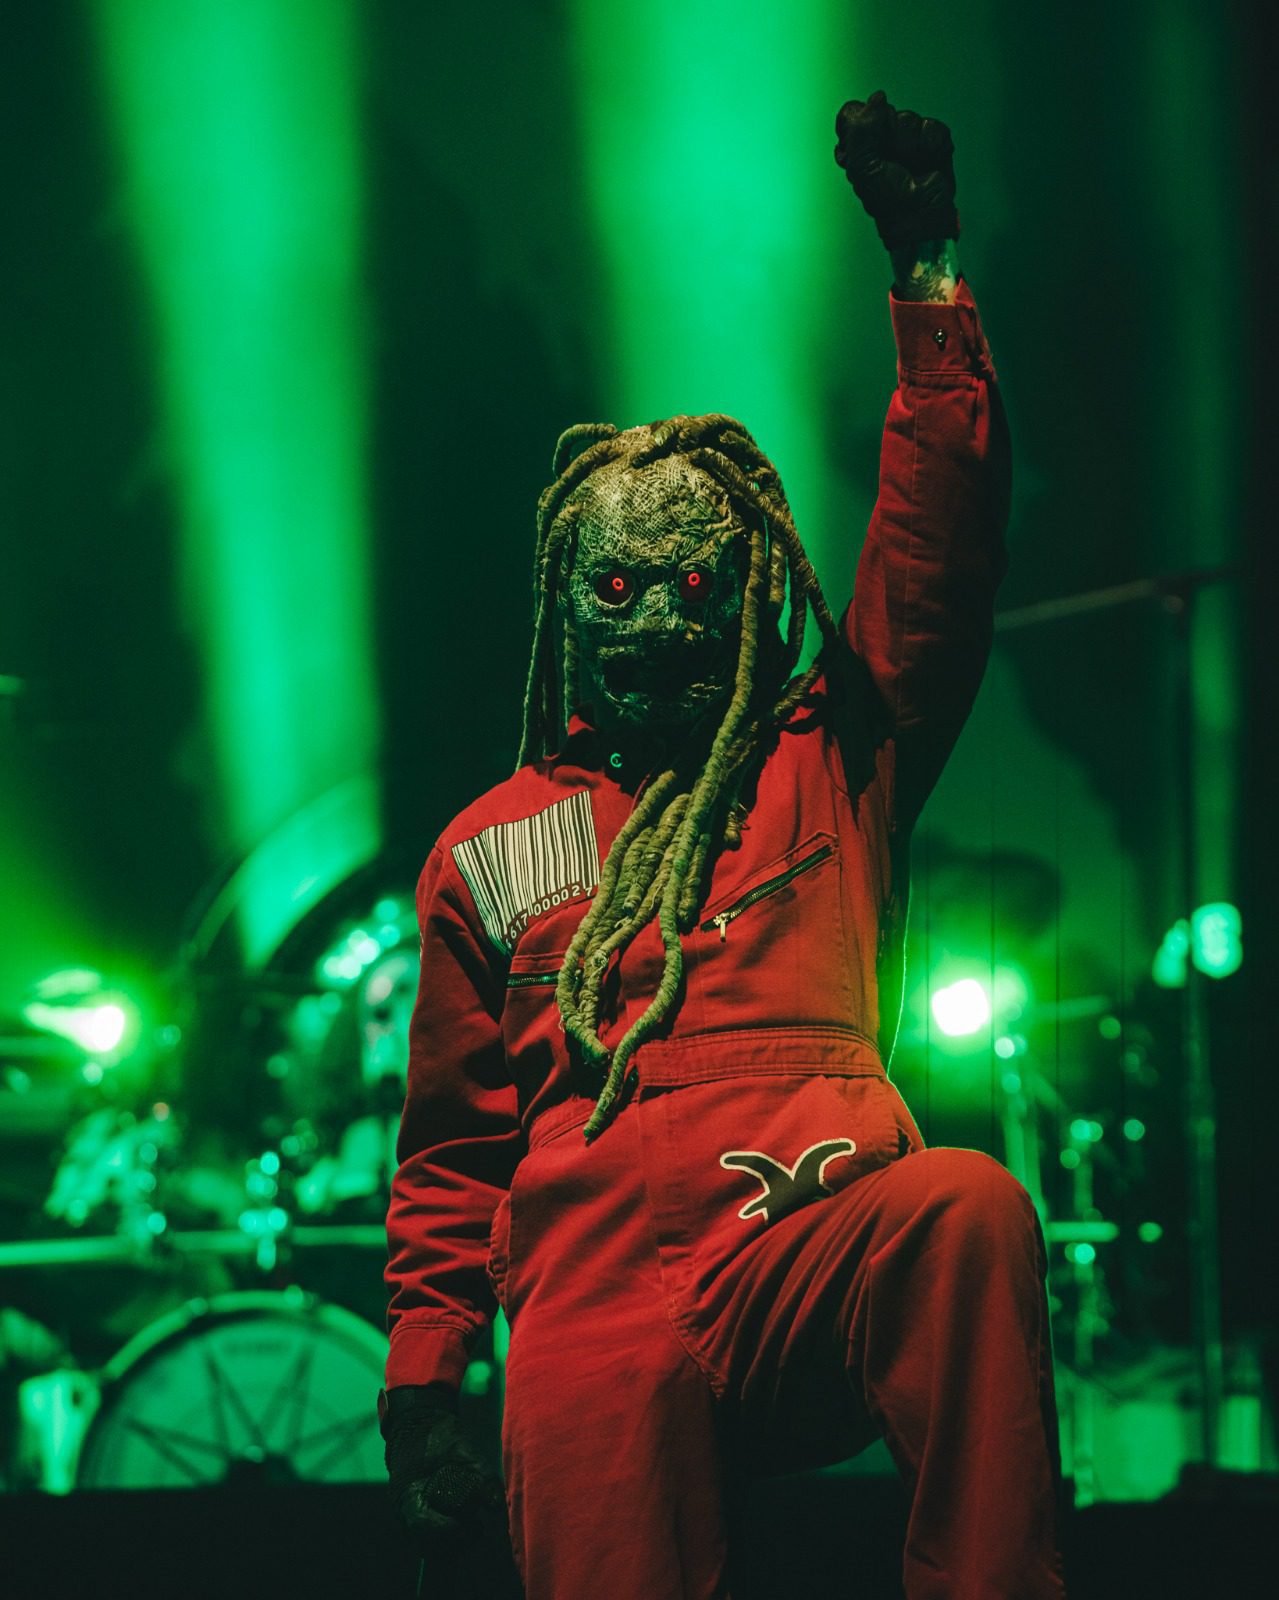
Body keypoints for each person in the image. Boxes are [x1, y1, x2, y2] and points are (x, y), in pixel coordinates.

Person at [382, 91, 1066, 1600]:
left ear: (750, 590)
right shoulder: (494, 848)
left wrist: (930, 274)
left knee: (967, 1210)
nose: (658, 615)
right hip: (592, 1295)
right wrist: (425, 1372)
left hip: (803, 1237)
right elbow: (453, 1146)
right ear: (565, 601)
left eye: (694, 581)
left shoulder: (829, 758)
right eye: (616, 590)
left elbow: (938, 553)